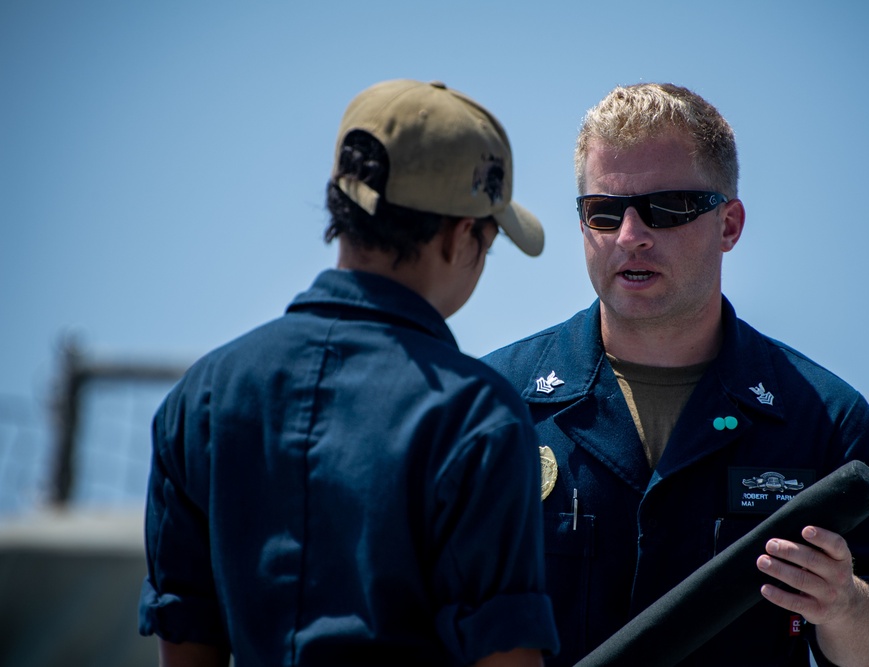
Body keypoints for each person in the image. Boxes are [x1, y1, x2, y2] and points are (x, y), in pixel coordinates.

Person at [483, 83, 869, 666]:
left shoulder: (823, 419)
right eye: (603, 212)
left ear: (729, 225)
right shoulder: (493, 405)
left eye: (666, 209)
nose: (629, 236)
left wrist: (844, 605)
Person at [138, 79, 560, 667]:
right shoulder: (477, 416)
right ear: (463, 235)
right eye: (490, 243)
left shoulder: (199, 397)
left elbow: (184, 642)